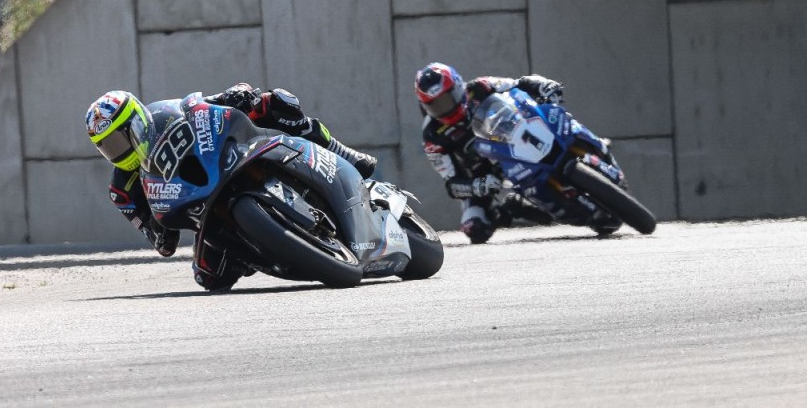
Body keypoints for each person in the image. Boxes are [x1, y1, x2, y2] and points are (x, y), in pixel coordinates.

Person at [85, 83, 377, 290]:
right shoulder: (122, 191)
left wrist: (234, 95)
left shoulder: (163, 116)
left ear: (137, 120)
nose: (118, 151)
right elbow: (163, 244)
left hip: (220, 167)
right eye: (108, 147)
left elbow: (199, 105)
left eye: (121, 139)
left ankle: (341, 151)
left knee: (274, 102)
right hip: (204, 214)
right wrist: (158, 221)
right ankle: (277, 250)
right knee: (209, 279)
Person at [414, 62, 574, 244]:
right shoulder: (432, 135)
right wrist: (478, 185)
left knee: (556, 117)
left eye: (447, 99)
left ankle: (589, 146)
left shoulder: (480, 86)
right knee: (474, 228)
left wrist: (543, 84)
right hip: (486, 176)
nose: (444, 108)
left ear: (458, 87)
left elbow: (518, 83)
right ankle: (508, 209)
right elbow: (452, 183)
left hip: (518, 140)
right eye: (435, 105)